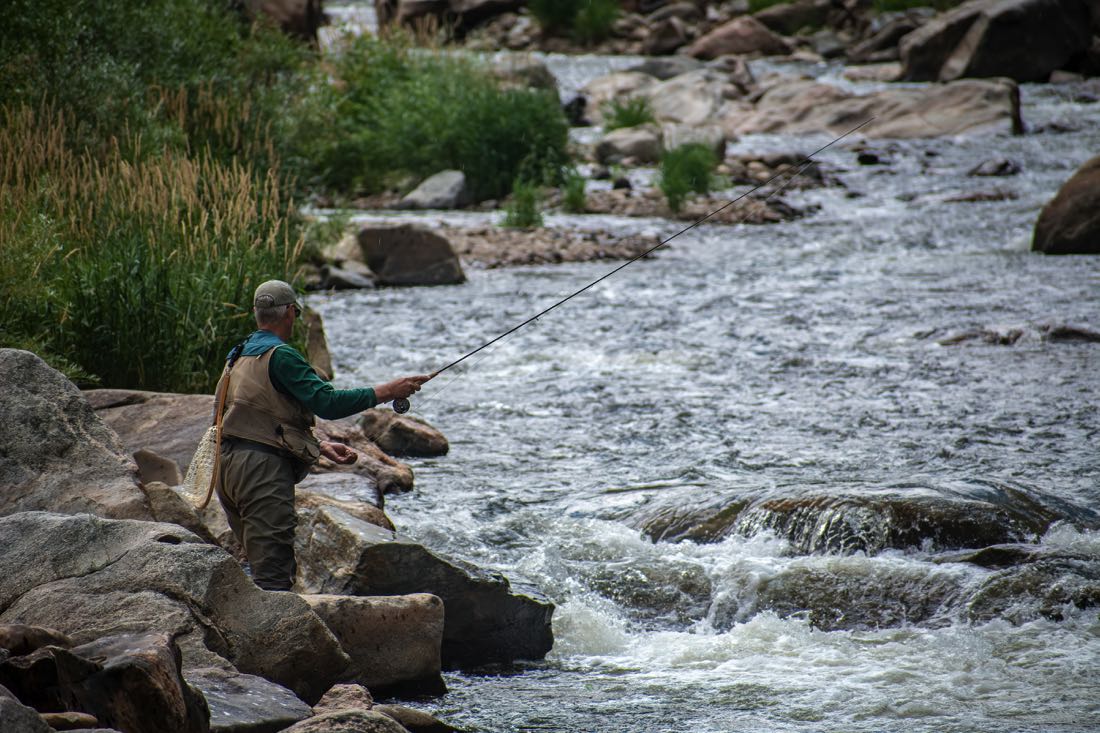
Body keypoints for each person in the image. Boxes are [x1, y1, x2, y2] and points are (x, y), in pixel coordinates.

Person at [214, 279, 430, 590]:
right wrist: (388, 391)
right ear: (290, 311)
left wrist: (316, 445)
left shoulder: (237, 354)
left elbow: (249, 416)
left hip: (227, 469)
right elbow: (327, 403)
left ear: (257, 313)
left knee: (254, 564)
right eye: (296, 312)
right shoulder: (281, 356)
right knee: (273, 579)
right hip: (260, 473)